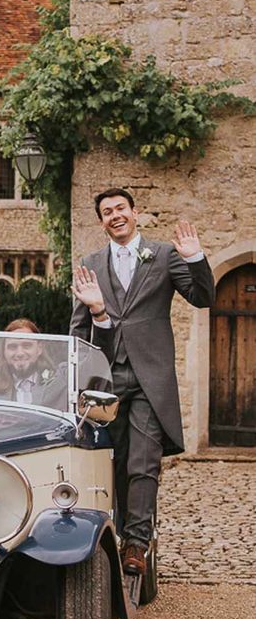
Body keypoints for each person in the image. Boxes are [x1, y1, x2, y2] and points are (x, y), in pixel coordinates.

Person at [70, 187, 215, 578]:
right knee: (111, 461)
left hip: (151, 376)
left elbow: (202, 297)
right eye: (106, 212)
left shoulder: (165, 255)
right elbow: (79, 335)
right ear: (101, 221)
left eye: (120, 208)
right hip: (107, 379)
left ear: (135, 213)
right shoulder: (91, 263)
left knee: (142, 460)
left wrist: (195, 258)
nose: (114, 215)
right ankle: (113, 532)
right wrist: (99, 314)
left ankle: (137, 543)